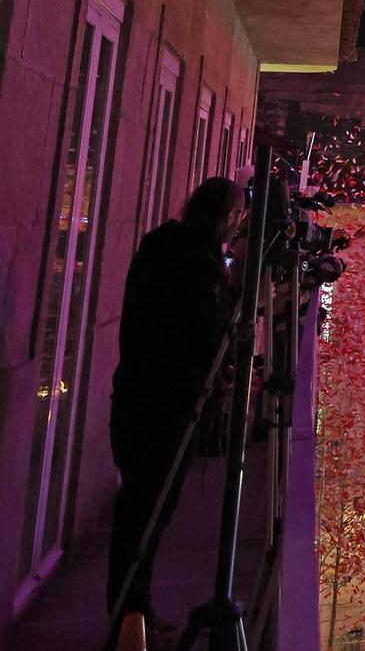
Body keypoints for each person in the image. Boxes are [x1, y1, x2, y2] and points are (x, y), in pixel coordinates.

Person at [106, 177, 242, 635]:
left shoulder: (162, 243)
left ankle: (132, 616)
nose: (240, 225)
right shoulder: (197, 263)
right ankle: (128, 623)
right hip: (164, 407)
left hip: (136, 397)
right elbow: (203, 331)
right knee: (145, 516)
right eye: (238, 216)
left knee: (138, 511)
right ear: (225, 217)